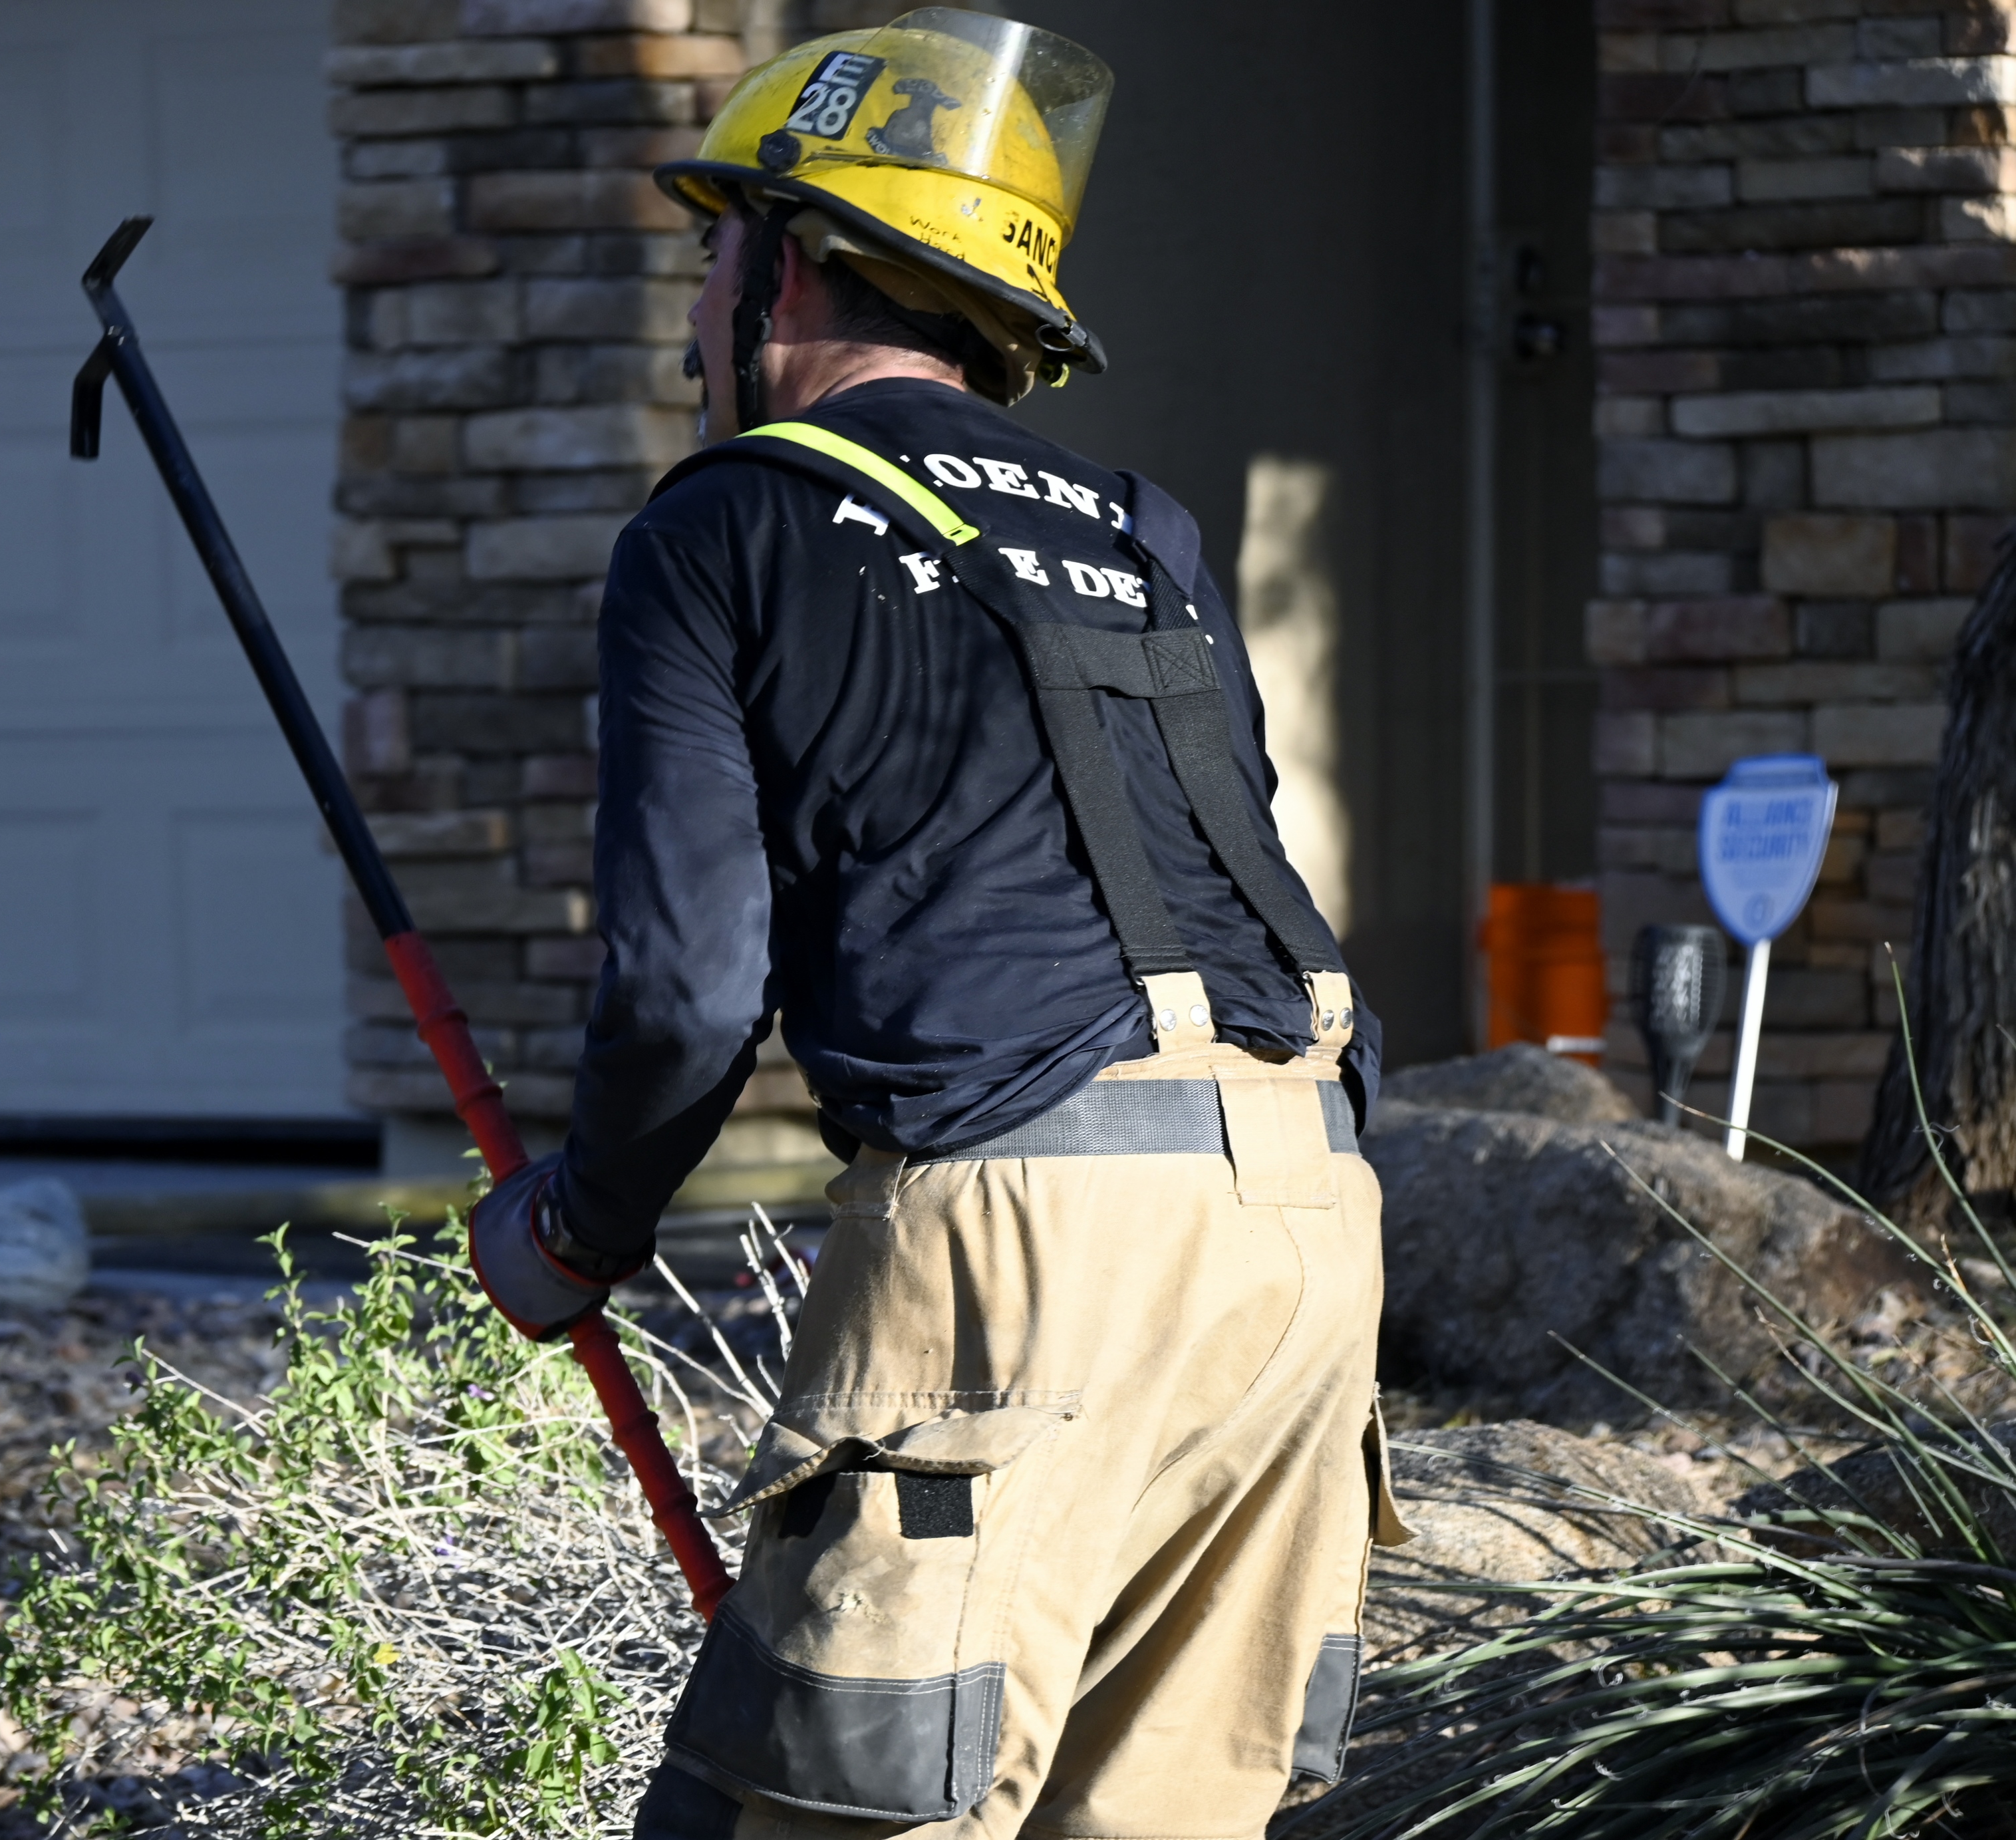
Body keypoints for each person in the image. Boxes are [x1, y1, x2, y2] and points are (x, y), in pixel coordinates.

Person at [468, 12, 1411, 1837]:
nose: (690, 312)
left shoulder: (726, 524)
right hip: (1308, 1226)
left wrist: (580, 1226)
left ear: (798, 263)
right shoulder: (1143, 530)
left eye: (712, 255)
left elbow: (686, 991)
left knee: (824, 1816)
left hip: (1022, 1248)